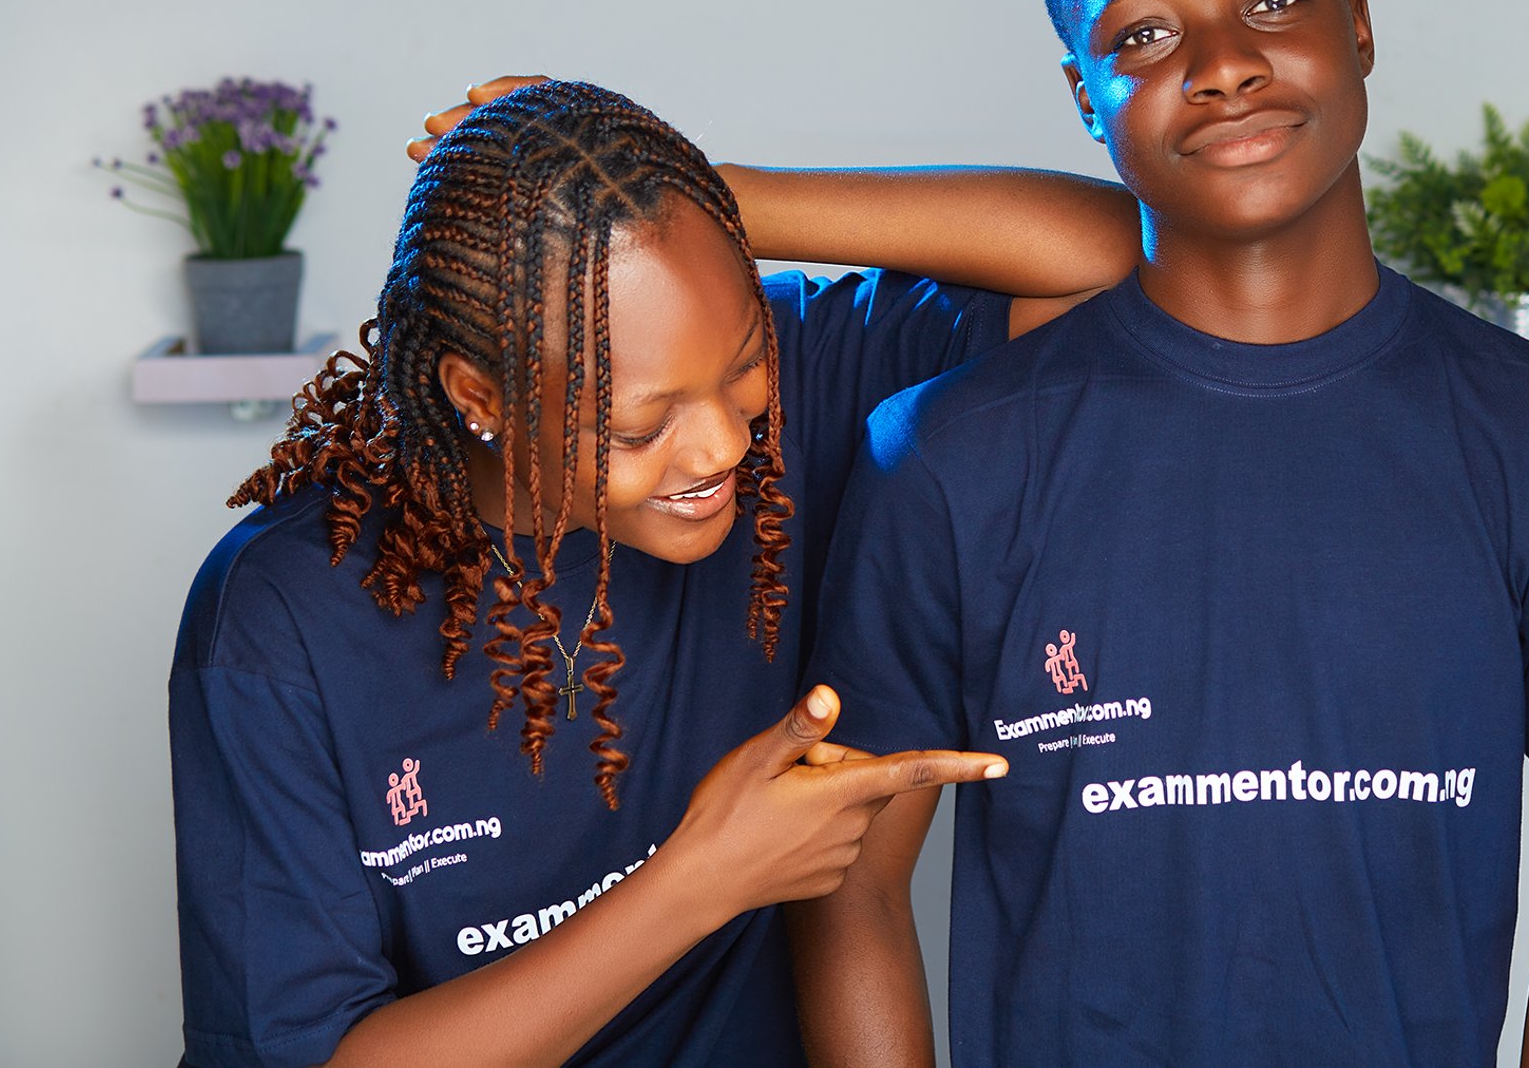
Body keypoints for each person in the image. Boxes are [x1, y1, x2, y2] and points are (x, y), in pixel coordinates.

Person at [796, 0, 1529, 1067]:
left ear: (1362, 23)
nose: (1221, 62)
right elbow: (849, 891)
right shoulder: (944, 456)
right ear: (1083, 94)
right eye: (1147, 29)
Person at [170, 79, 1140, 1068]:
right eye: (640, 424)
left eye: (744, 366)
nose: (723, 442)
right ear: (477, 394)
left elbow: (1113, 259)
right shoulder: (279, 621)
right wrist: (699, 881)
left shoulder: (784, 389)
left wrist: (667, 200)